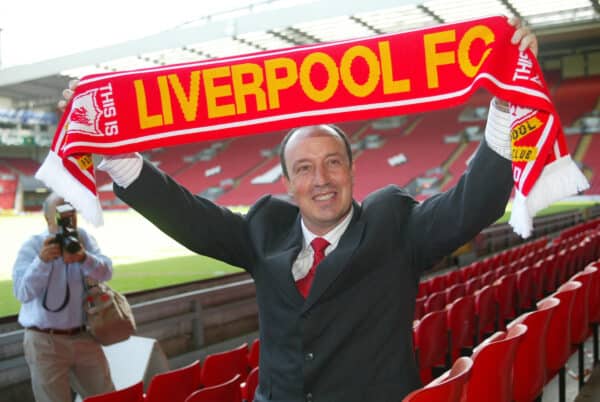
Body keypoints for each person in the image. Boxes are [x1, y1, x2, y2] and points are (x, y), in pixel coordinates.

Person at [62, 17, 537, 402]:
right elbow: (190, 216)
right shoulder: (266, 229)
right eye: (305, 169)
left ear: (352, 171)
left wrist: (504, 103)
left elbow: (474, 203)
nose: (322, 180)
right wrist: (114, 153)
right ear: (288, 184)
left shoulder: (395, 225)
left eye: (333, 164)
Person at [12, 193, 115, 402]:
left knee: (108, 398)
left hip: (84, 336)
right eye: (61, 214)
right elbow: (22, 292)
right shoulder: (33, 246)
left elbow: (106, 273)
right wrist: (42, 262)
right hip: (44, 341)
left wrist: (84, 258)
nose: (68, 220)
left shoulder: (83, 239)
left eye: (71, 213)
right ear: (49, 220)